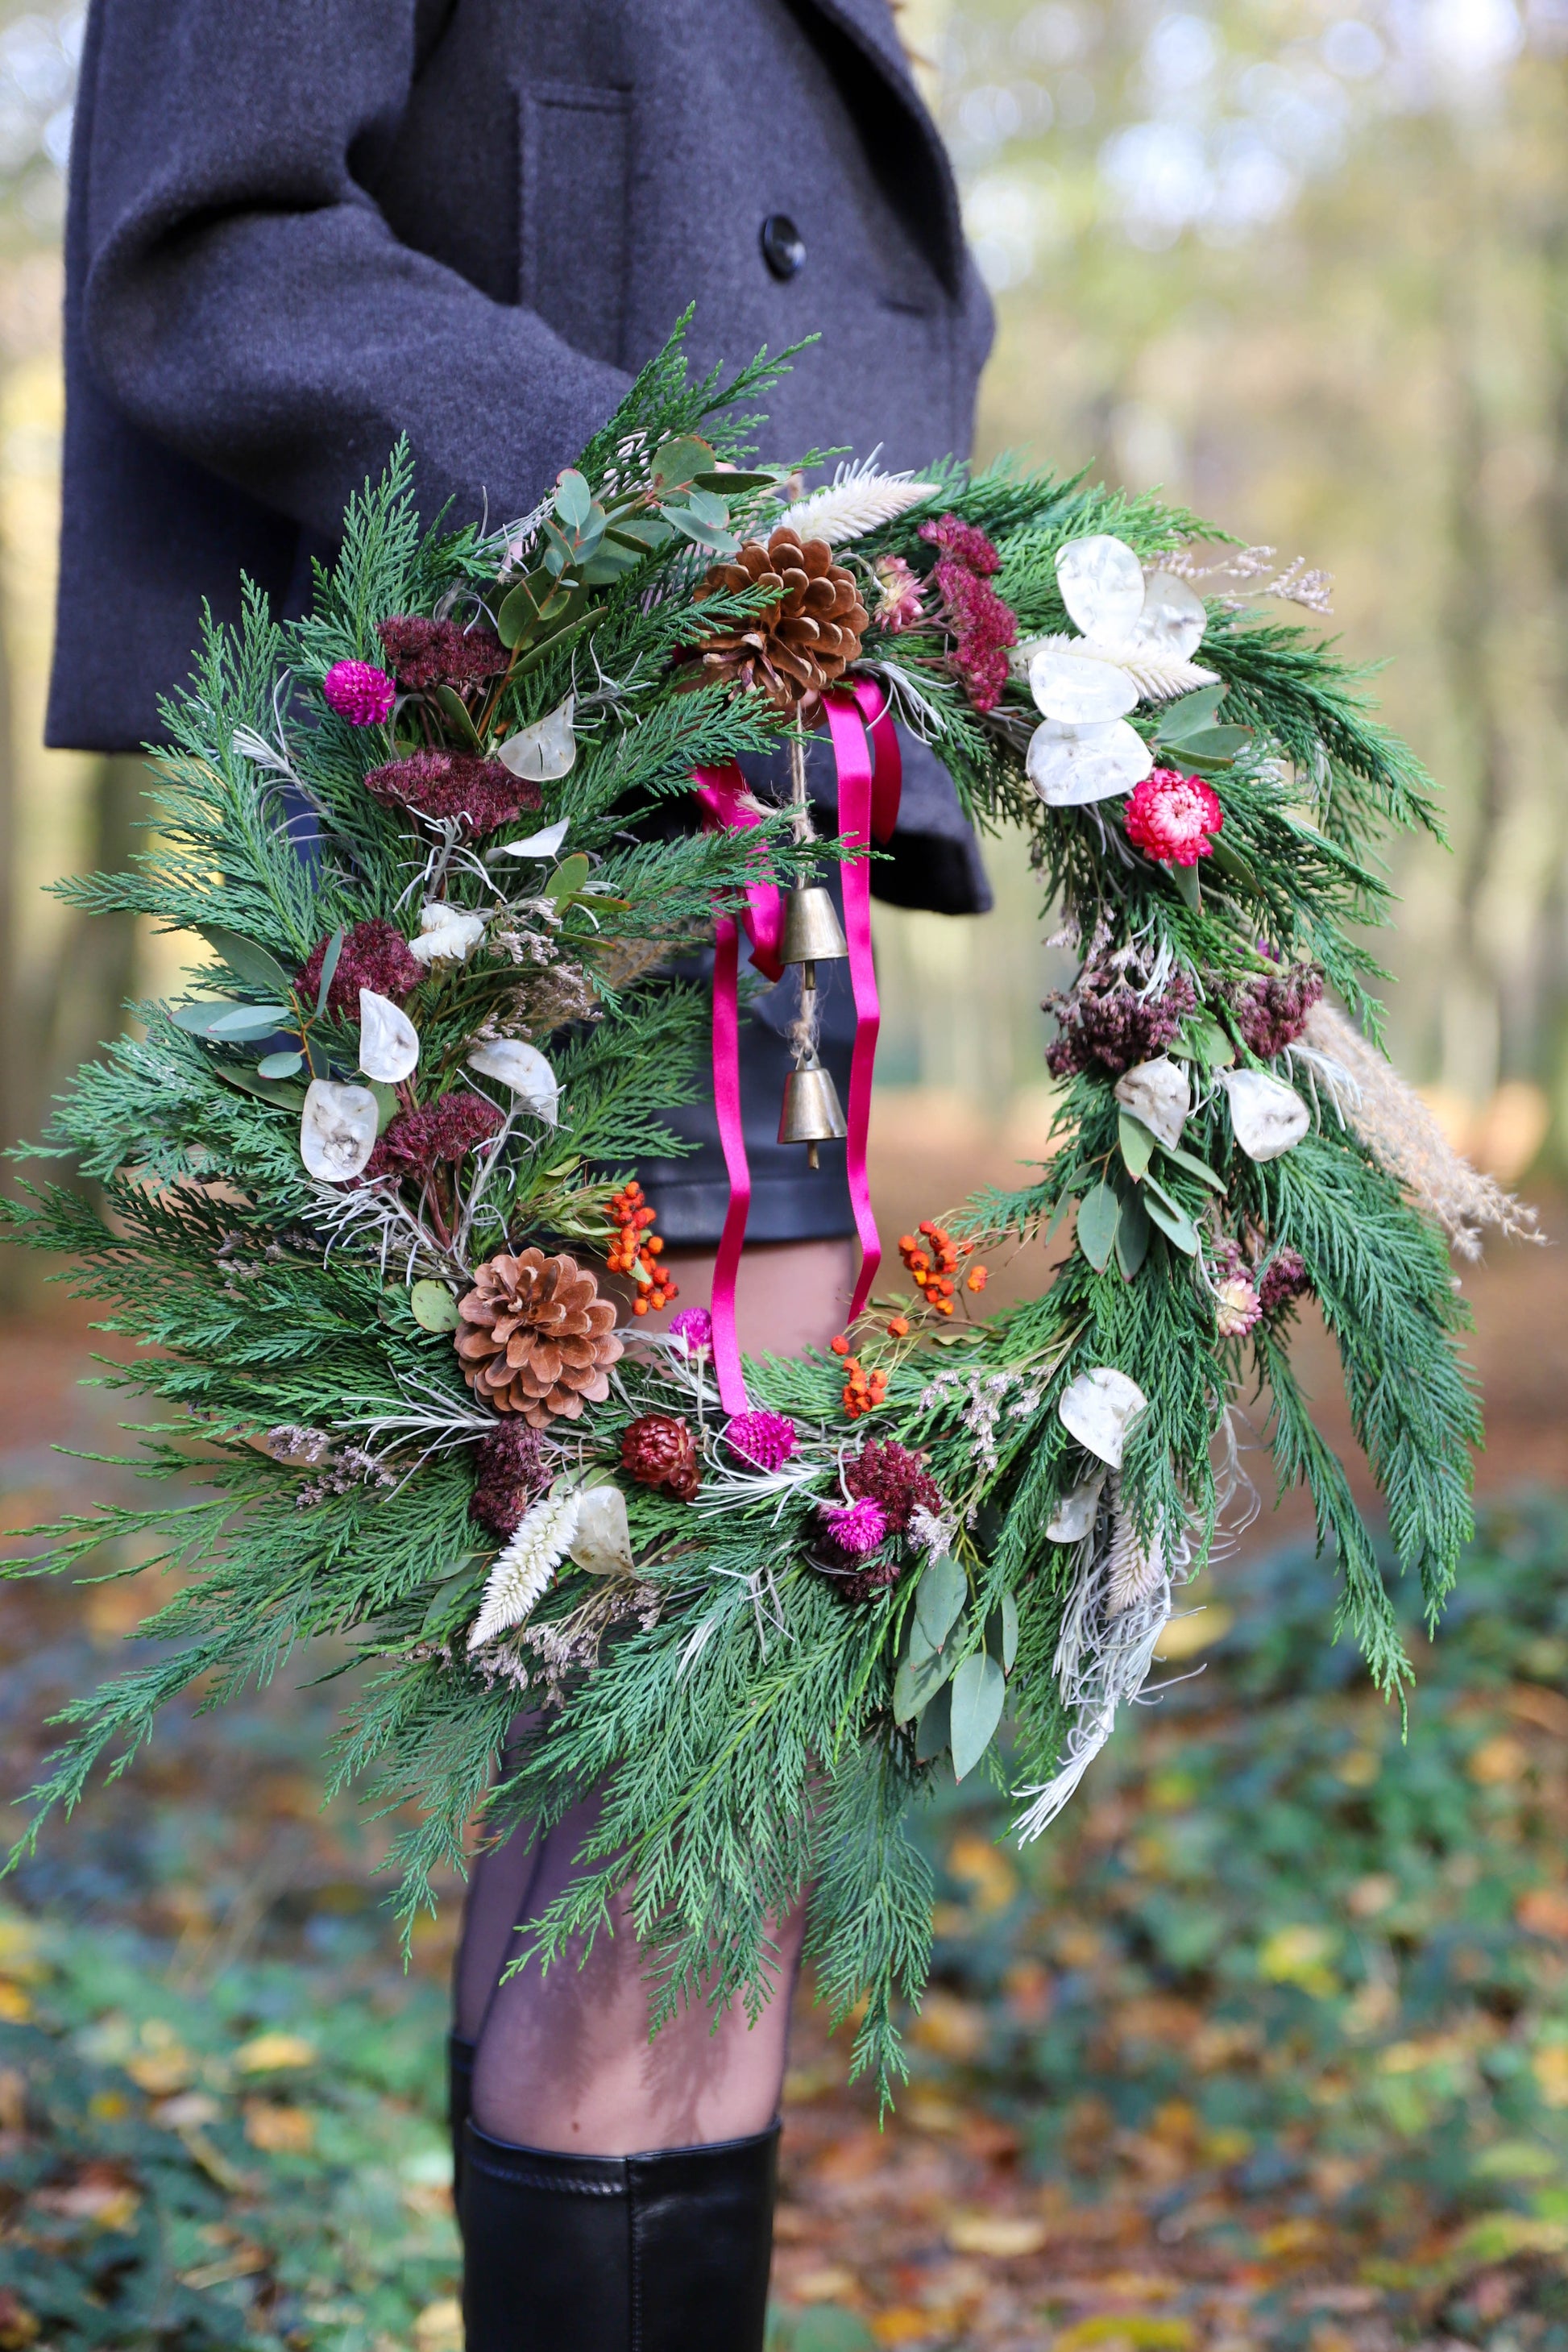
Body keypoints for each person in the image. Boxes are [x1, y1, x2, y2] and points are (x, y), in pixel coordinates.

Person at [48, 5, 995, 2344]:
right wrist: (654, 504)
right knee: (655, 1746)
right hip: (517, 762)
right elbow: (213, 238)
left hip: (742, 767)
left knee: (703, 1743)